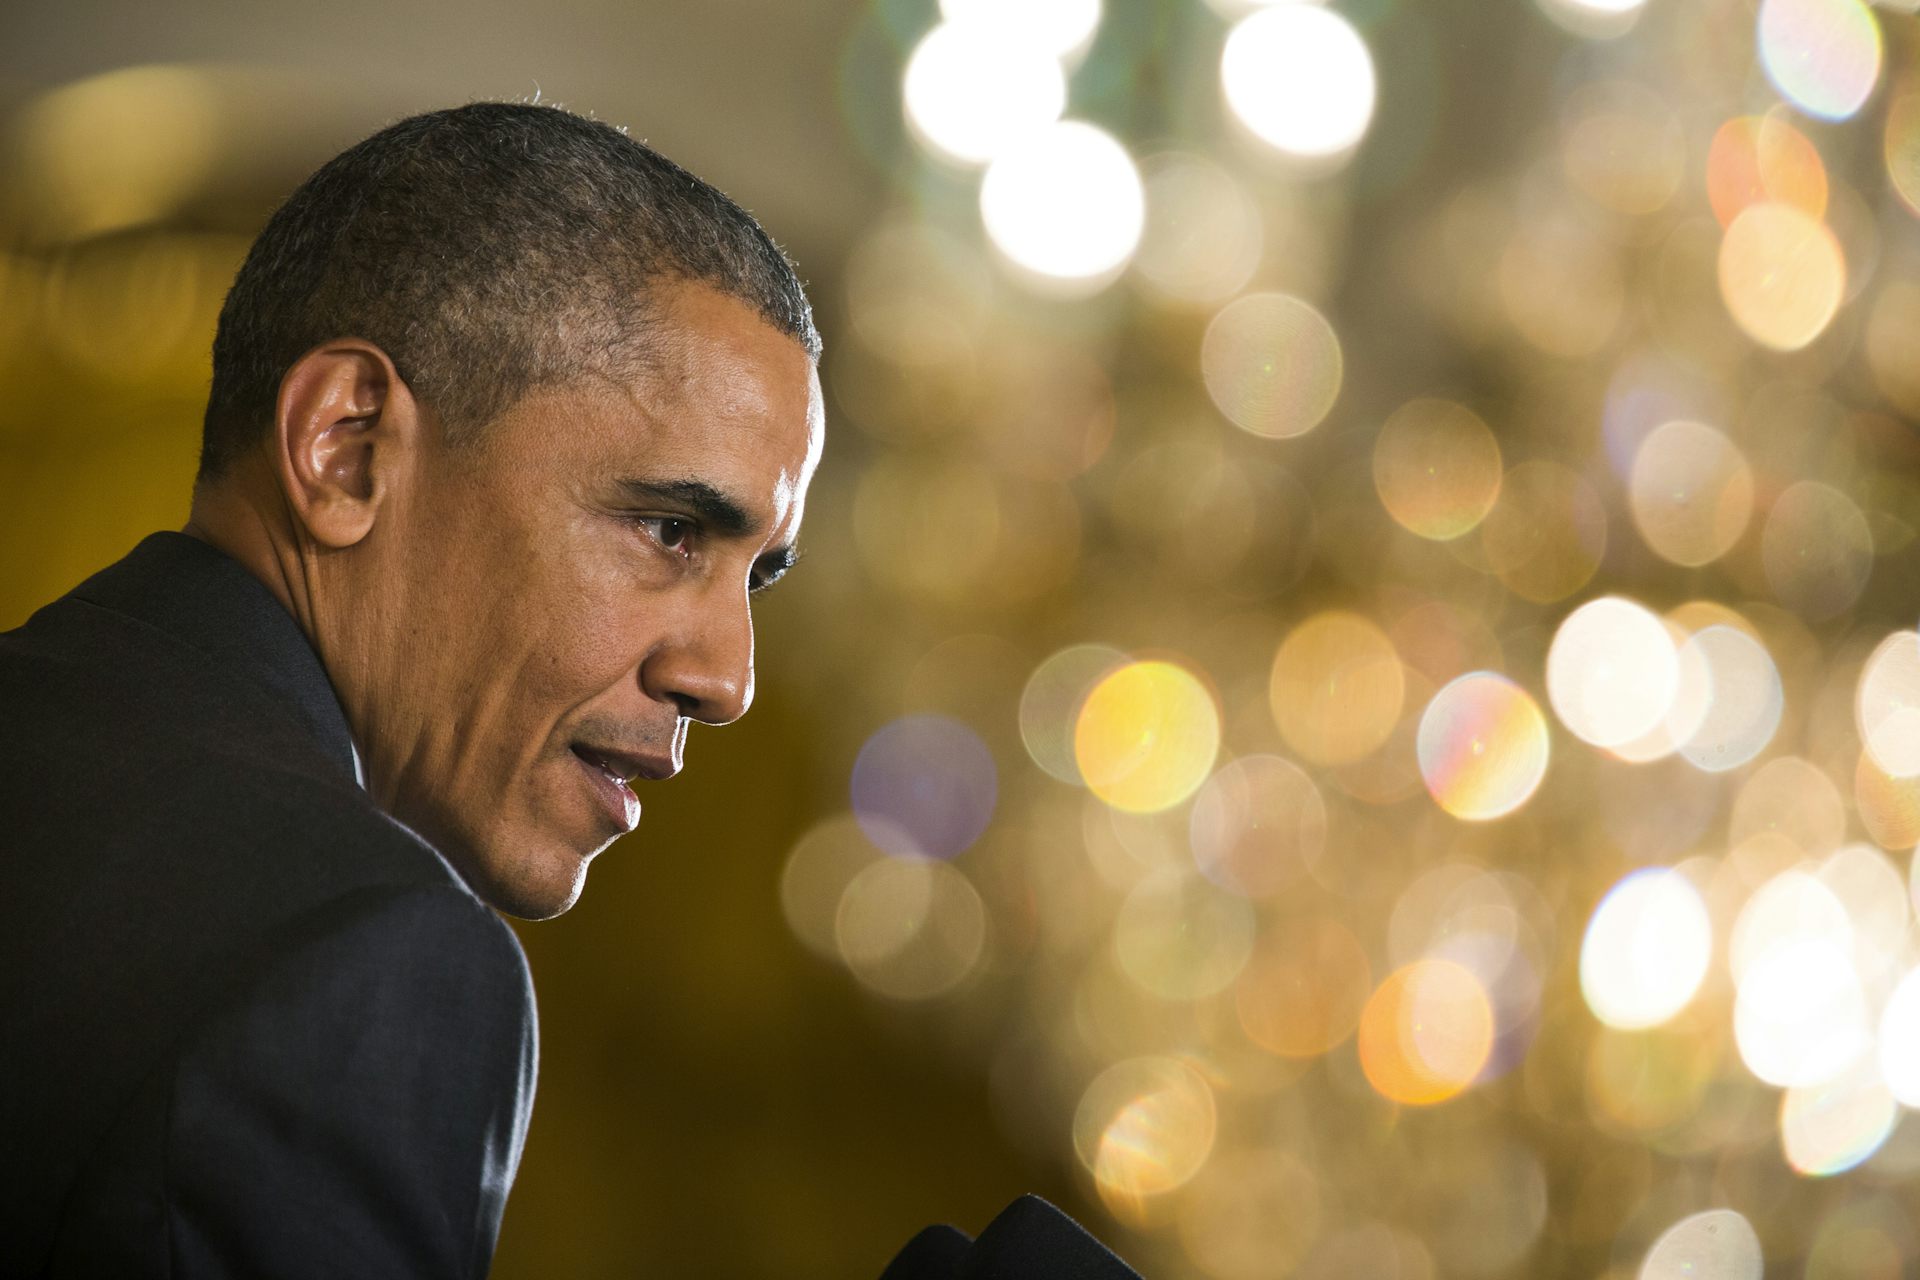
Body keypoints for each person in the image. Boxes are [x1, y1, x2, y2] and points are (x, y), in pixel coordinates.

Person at [0, 100, 1144, 1280]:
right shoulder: (362, 951)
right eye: (669, 527)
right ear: (346, 446)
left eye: (758, 575)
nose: (728, 680)